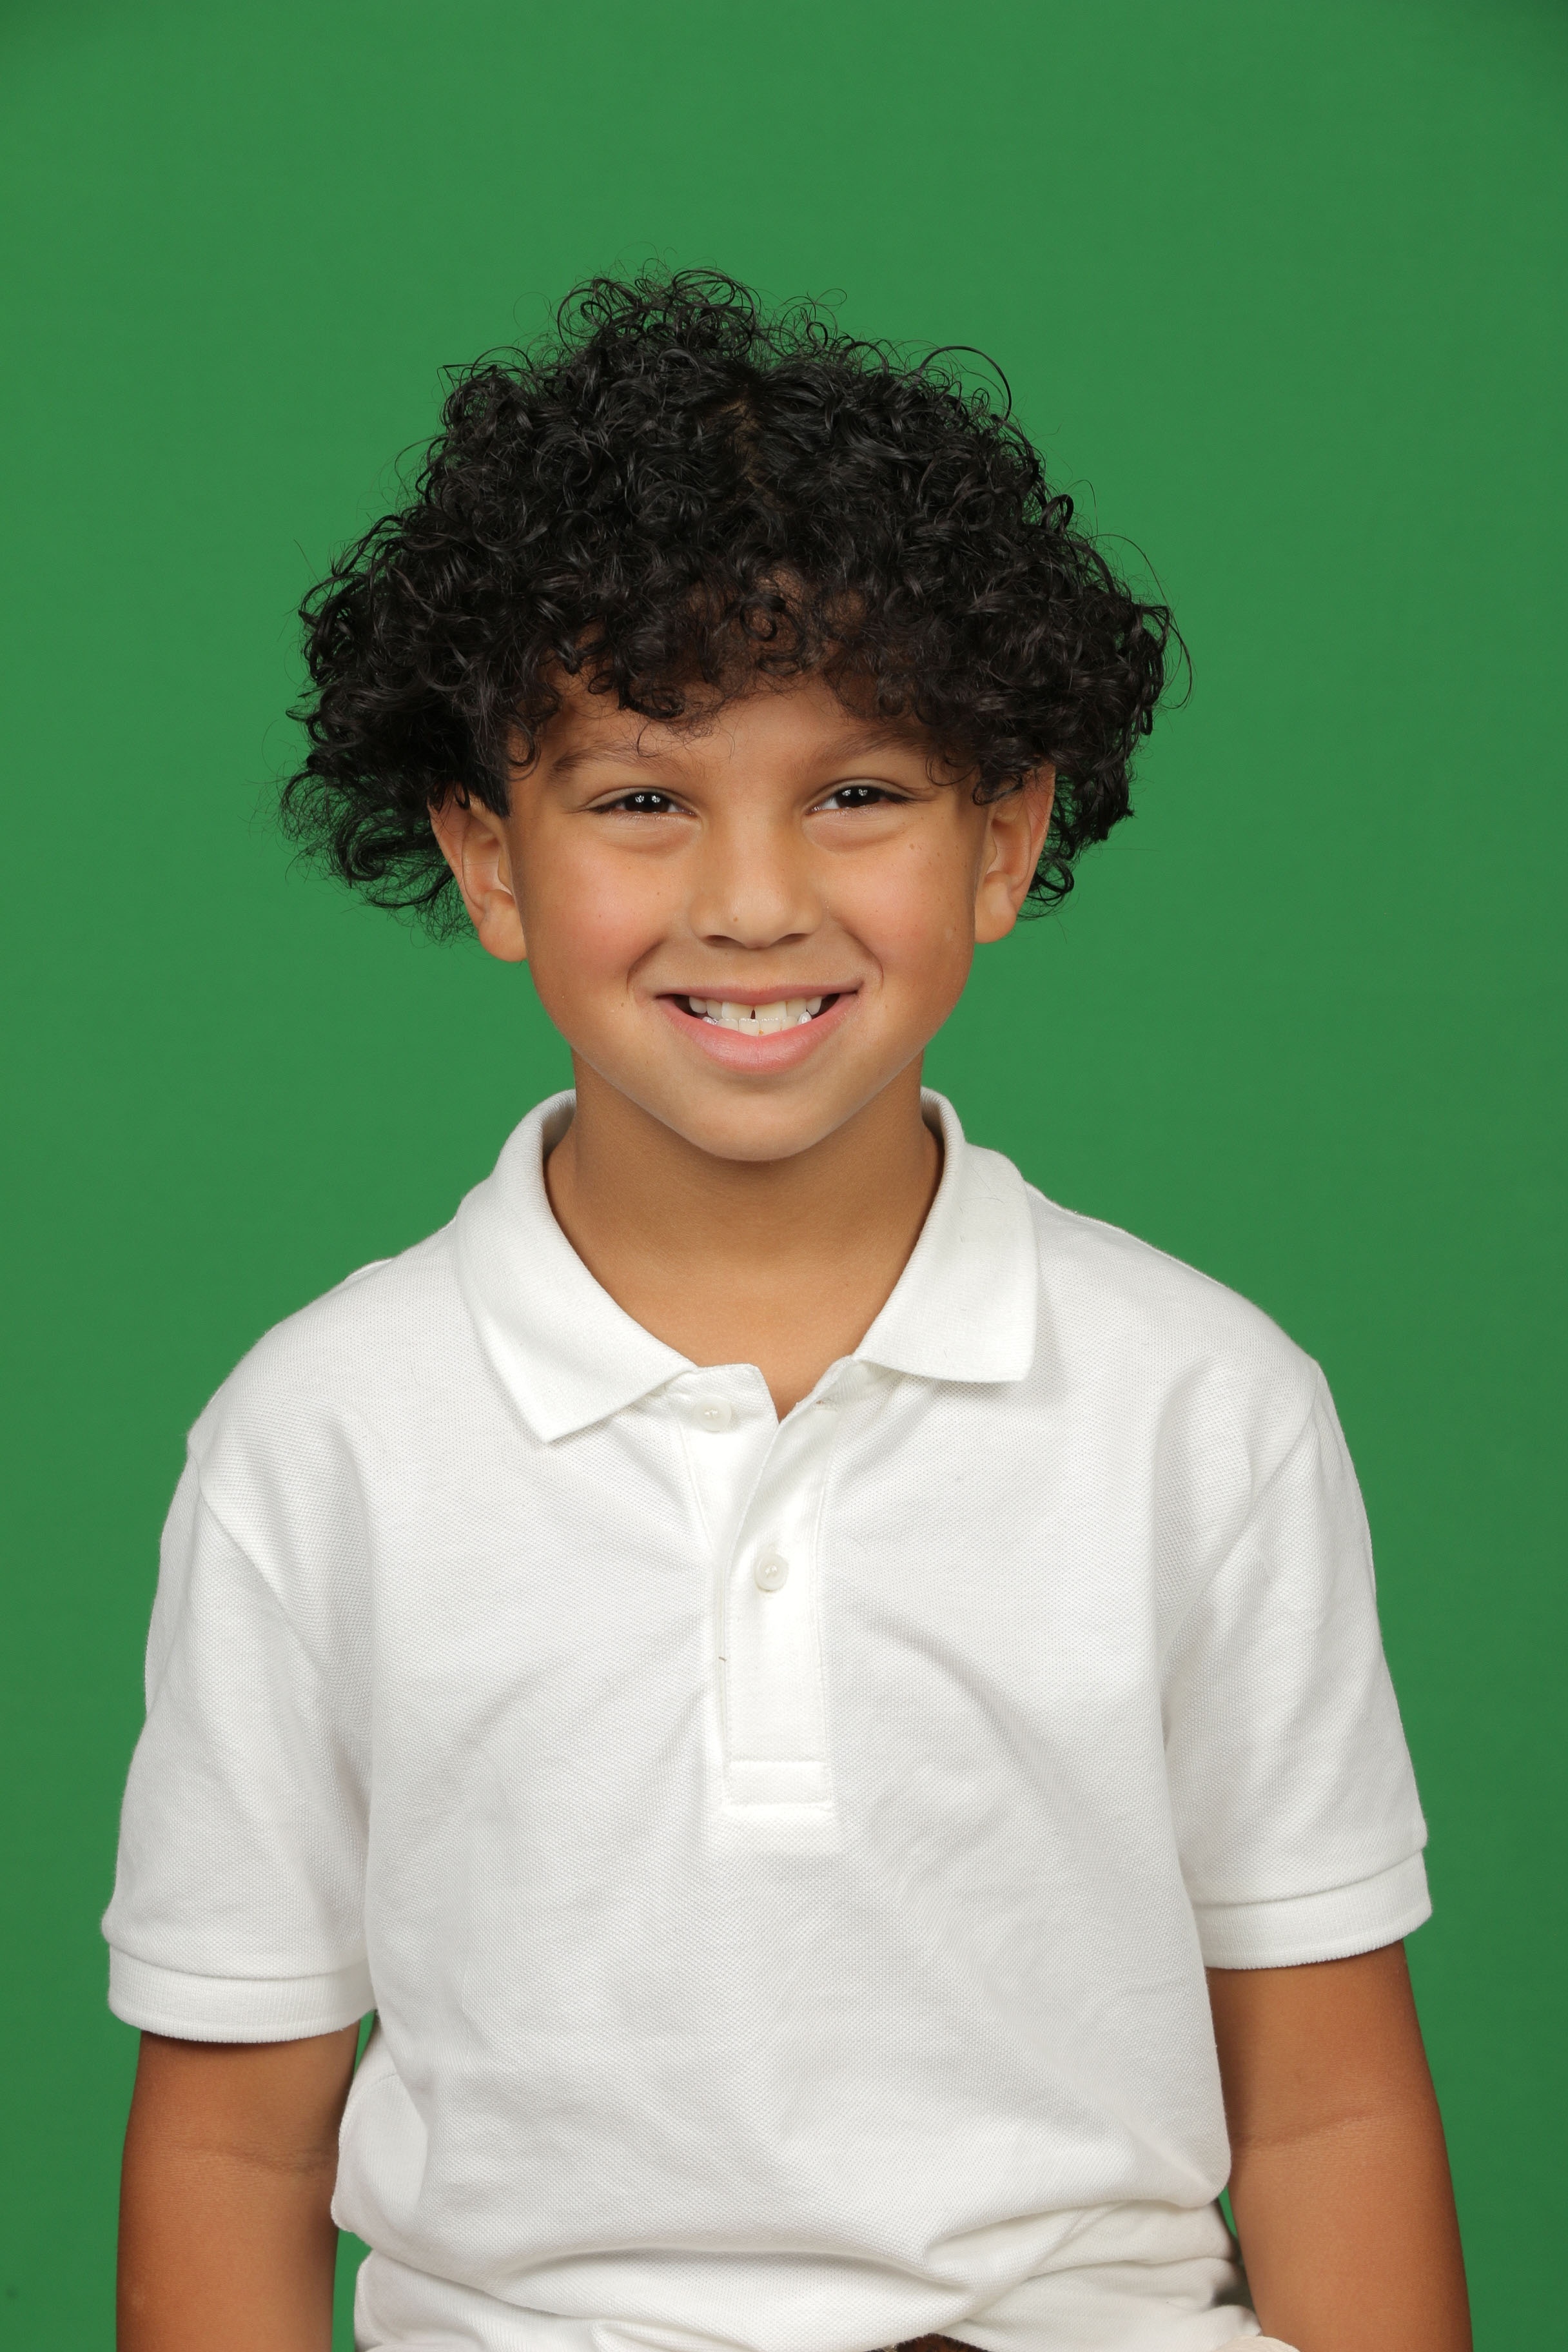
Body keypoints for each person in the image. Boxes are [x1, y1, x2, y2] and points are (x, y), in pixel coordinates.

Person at [105, 273, 1470, 2352]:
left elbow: (1329, 2109)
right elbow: (234, 2152)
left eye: (858, 794)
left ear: (1004, 838)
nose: (754, 902)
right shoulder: (325, 1435)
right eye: (641, 799)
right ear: (488, 858)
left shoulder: (1206, 1406)